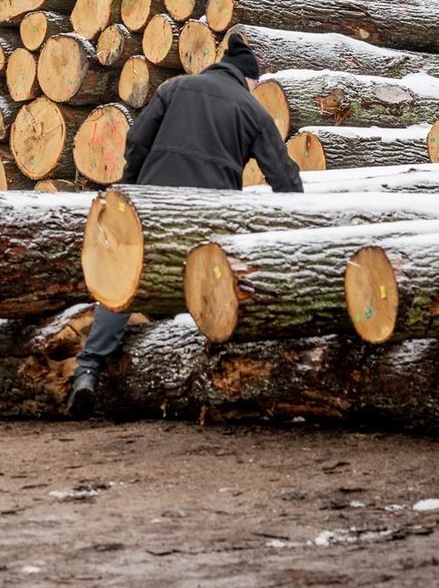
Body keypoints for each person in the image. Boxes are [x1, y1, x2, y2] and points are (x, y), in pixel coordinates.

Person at [68, 33, 304, 420]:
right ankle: (201, 378)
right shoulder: (252, 109)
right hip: (210, 216)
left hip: (153, 206)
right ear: (248, 79)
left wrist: (134, 191)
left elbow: (138, 141)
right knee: (210, 287)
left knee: (124, 286)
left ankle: (88, 370)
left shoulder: (175, 87)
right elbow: (284, 177)